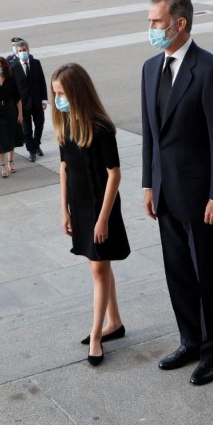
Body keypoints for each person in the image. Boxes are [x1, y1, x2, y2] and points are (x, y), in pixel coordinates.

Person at [141, 0, 213, 386]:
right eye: (150, 21)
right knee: (178, 272)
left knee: (209, 275)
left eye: (156, 22)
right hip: (166, 192)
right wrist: (149, 183)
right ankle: (190, 341)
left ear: (180, 23)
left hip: (201, 198)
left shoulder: (209, 70)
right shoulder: (149, 68)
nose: (151, 29)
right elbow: (151, 133)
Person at [52, 63, 129, 366]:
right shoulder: (65, 124)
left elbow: (114, 175)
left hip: (100, 207)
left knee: (98, 270)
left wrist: (103, 219)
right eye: (55, 93)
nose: (58, 99)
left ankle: (96, 336)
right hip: (79, 206)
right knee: (99, 267)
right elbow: (64, 169)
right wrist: (64, 209)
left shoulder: (100, 127)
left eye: (62, 93)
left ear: (76, 92)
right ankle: (115, 322)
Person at [10, 40, 48, 163]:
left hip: (37, 102)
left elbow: (42, 81)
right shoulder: (13, 68)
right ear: (17, 52)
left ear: (28, 50)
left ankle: (36, 144)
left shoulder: (36, 63)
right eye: (20, 51)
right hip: (23, 104)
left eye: (24, 50)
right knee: (26, 130)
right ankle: (31, 150)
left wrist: (44, 99)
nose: (23, 52)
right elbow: (13, 88)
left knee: (40, 125)